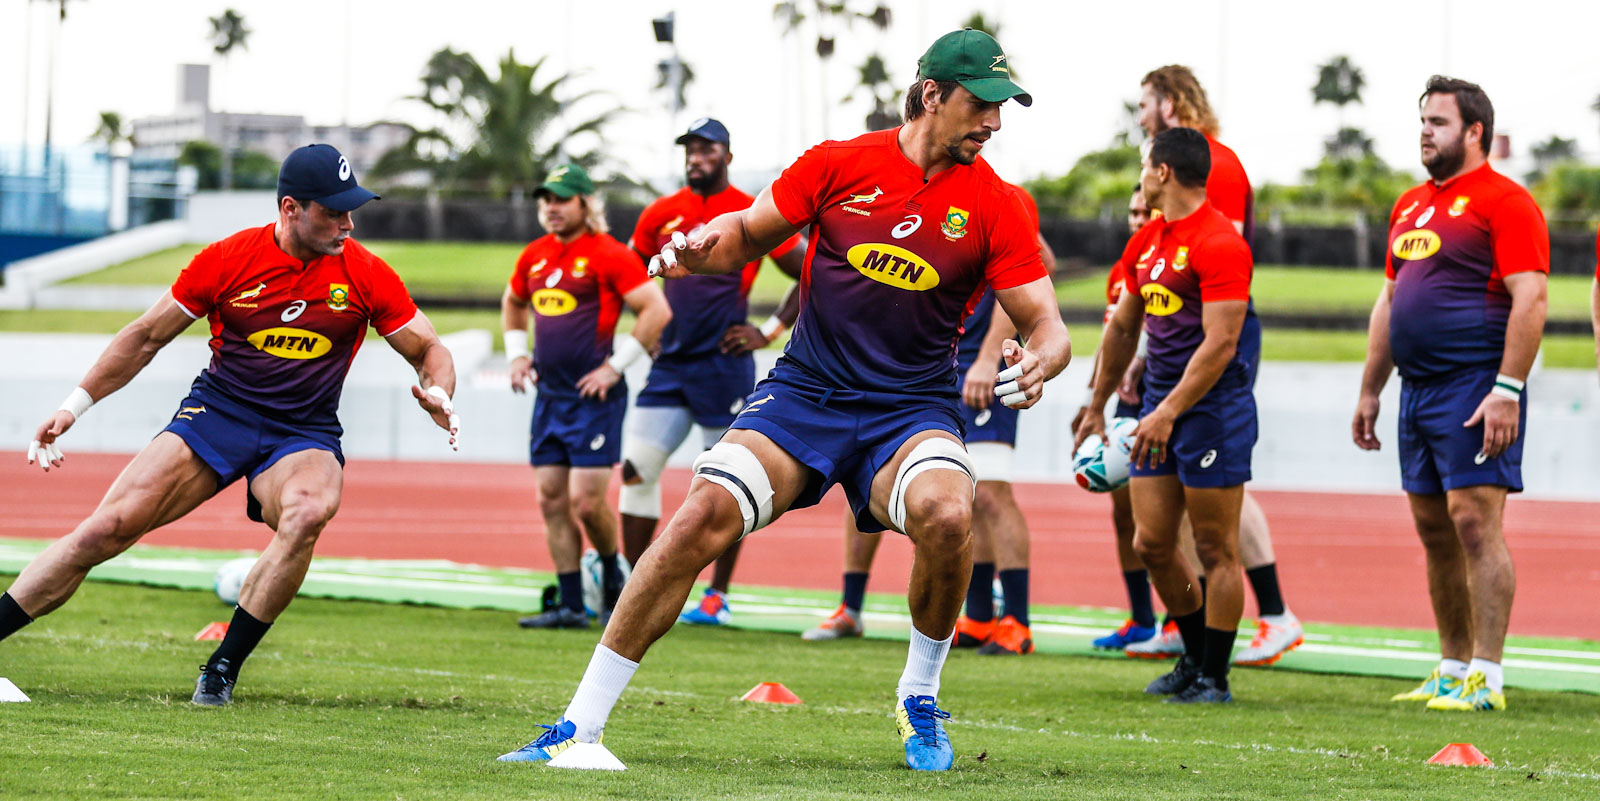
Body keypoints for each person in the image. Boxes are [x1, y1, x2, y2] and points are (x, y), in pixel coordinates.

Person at [498, 29, 1068, 771]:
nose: (994, 122)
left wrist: (1040, 359)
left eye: (1003, 108)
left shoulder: (999, 203)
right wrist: (700, 245)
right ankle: (578, 726)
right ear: (932, 95)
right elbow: (745, 233)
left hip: (912, 408)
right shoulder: (837, 163)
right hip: (806, 394)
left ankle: (918, 695)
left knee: (948, 512)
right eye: (982, 103)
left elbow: (1047, 322)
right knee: (699, 512)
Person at [8, 144, 459, 706]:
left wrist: (438, 390)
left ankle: (222, 667)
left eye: (352, 209)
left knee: (308, 511)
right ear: (291, 207)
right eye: (334, 210)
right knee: (107, 528)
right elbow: (146, 336)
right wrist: (73, 405)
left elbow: (429, 347)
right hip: (218, 415)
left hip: (303, 432)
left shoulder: (365, 273)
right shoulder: (226, 260)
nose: (349, 223)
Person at [1353, 76, 1548, 712]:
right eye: (1423, 121)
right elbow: (1390, 300)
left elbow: (1532, 297)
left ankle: (1486, 677)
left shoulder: (1506, 201)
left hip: (1476, 384)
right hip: (1417, 391)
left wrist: (1508, 390)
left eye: (1438, 122)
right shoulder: (1409, 205)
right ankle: (1450, 666)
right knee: (1434, 530)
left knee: (1474, 523)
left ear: (1474, 132)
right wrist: (1370, 388)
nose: (1425, 132)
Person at [801, 185, 1057, 658]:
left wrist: (986, 359)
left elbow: (1038, 272)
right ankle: (964, 616)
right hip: (918, 374)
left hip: (981, 369)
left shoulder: (1001, 197)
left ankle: (1016, 621)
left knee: (992, 492)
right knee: (868, 481)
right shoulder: (900, 196)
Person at [1115, 65, 1302, 666]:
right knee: (1165, 527)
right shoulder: (1164, 214)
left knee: (1214, 512)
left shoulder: (1216, 171)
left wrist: (1157, 366)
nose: (1141, 115)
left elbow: (1214, 285)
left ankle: (1259, 622)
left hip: (1209, 350)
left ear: (1169, 103)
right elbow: (1149, 293)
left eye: (1145, 104)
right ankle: (1197, 636)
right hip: (1170, 355)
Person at [1076, 127, 1258, 704]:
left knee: (1216, 549)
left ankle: (1215, 675)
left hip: (1212, 413)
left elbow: (1221, 343)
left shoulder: (1221, 242)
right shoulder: (1146, 242)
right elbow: (1125, 327)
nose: (1139, 178)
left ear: (1163, 173)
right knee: (1152, 542)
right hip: (1156, 410)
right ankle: (1194, 656)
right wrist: (1097, 405)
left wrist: (1170, 410)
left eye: (1142, 167)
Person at [622, 118, 805, 628]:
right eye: (690, 149)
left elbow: (810, 269)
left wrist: (768, 330)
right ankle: (633, 587)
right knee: (636, 470)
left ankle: (716, 597)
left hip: (723, 367)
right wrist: (647, 322)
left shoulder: (751, 210)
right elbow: (630, 277)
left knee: (727, 482)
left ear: (726, 154)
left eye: (706, 149)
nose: (696, 157)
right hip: (669, 367)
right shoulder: (659, 213)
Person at [503, 164, 671, 629]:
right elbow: (513, 302)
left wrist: (613, 368)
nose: (551, 208)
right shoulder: (534, 256)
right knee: (551, 499)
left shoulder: (609, 254)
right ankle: (572, 603)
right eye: (546, 200)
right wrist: (518, 354)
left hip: (594, 399)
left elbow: (655, 310)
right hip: (550, 398)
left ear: (584, 204)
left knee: (585, 502)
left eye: (561, 199)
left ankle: (613, 573)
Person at [1079, 185, 1161, 651]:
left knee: (1166, 512)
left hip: (1160, 398)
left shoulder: (1171, 259)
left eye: (1144, 210)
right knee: (1122, 506)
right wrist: (1092, 401)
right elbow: (1115, 336)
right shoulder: (1123, 268)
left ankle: (1177, 621)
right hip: (1124, 402)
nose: (1136, 218)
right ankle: (1142, 619)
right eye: (1131, 211)